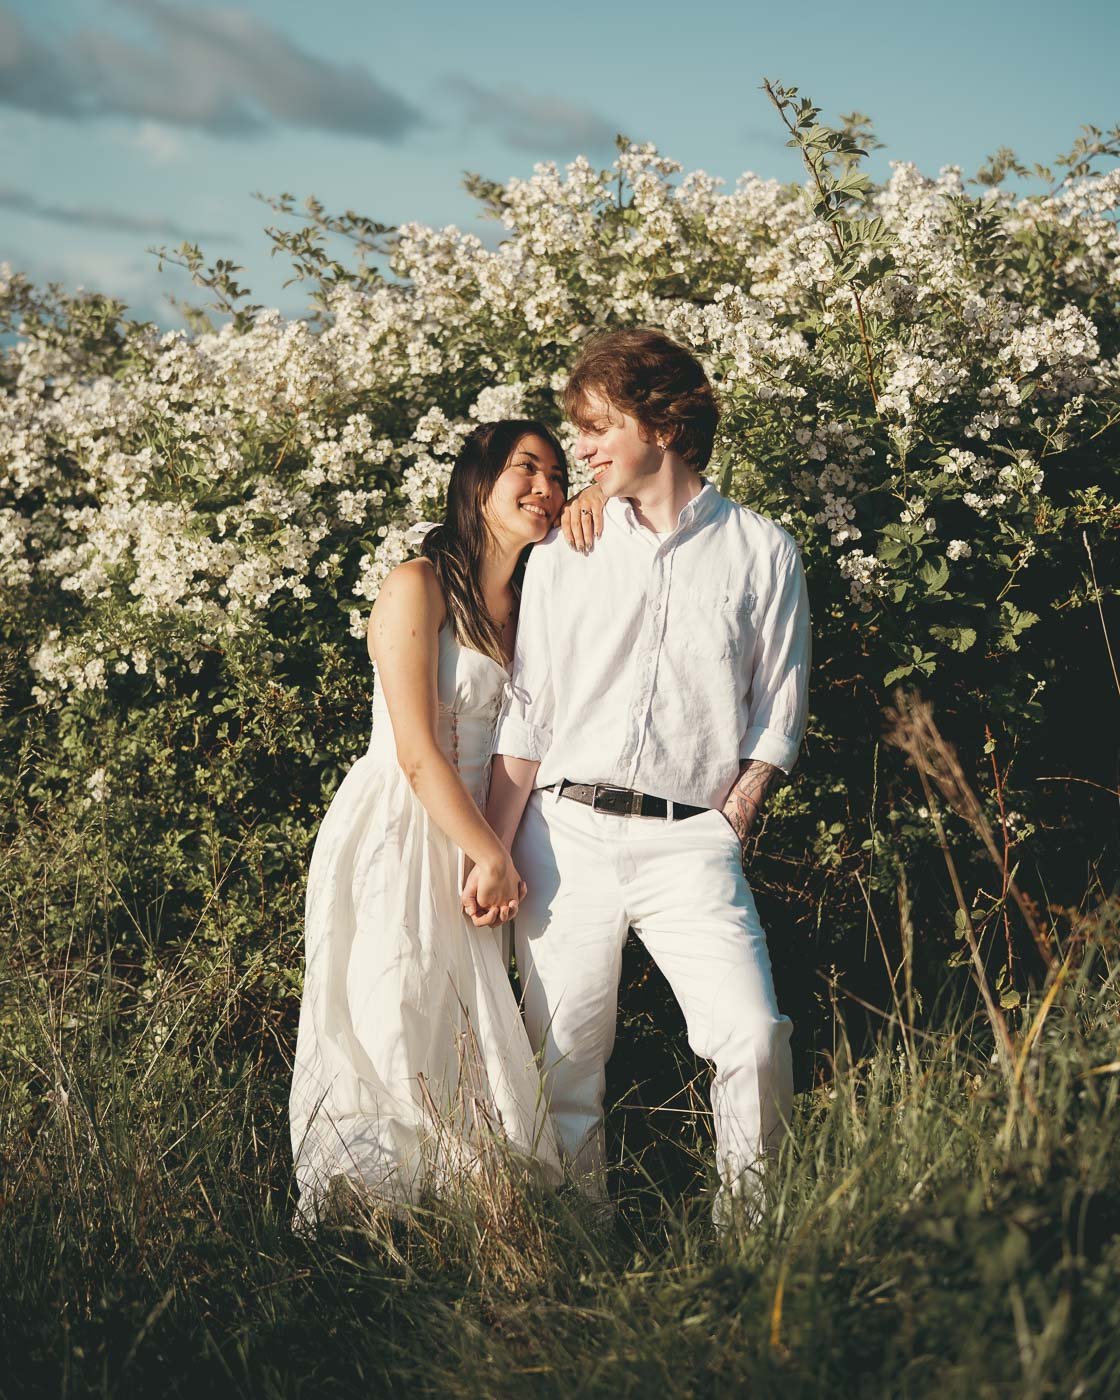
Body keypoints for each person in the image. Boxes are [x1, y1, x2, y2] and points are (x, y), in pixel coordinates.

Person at [463, 329, 812, 1227]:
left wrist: (736, 810)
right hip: (565, 831)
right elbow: (529, 715)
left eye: (597, 425)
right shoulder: (567, 549)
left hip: (691, 838)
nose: (579, 448)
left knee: (752, 1035)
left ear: (662, 420)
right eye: (579, 429)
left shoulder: (762, 549)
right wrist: (496, 849)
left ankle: (754, 1237)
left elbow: (777, 706)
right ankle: (578, 1247)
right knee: (566, 1059)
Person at [289, 419, 567, 1221]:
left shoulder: (534, 603)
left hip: (482, 835)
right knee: (395, 1004)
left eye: (557, 474)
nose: (546, 489)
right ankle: (366, 1218)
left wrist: (495, 849)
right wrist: (488, 854)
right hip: (403, 824)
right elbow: (415, 748)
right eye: (527, 469)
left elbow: (527, 745)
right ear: (478, 481)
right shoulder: (417, 583)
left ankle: (465, 1215)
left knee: (467, 1023)